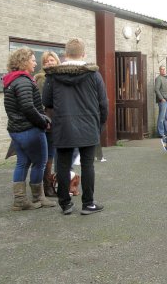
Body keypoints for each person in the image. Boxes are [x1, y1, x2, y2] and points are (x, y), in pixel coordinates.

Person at [43, 38, 109, 215]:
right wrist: (100, 124)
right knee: (88, 165)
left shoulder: (52, 76)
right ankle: (88, 204)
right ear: (84, 54)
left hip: (63, 125)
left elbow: (47, 101)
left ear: (65, 55)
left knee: (63, 166)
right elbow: (103, 103)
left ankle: (65, 204)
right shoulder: (94, 74)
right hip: (88, 125)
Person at [3, 47, 55, 211]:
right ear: (24, 62)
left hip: (16, 130)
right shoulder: (24, 81)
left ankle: (20, 201)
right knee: (40, 162)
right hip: (29, 129)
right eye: (32, 60)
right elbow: (28, 107)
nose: (35, 63)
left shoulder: (11, 80)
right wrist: (43, 121)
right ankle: (38, 197)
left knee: (22, 163)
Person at [34, 51, 61, 197]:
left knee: (54, 153)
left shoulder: (60, 78)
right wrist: (45, 120)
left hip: (59, 121)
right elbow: (39, 103)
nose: (49, 63)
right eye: (46, 61)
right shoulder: (41, 80)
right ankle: (47, 186)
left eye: (52, 60)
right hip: (48, 123)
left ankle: (53, 184)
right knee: (48, 155)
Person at [154, 65, 167, 138]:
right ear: (159, 70)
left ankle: (166, 132)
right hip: (162, 100)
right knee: (161, 117)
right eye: (161, 69)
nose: (163, 70)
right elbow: (156, 89)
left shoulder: (166, 78)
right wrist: (161, 98)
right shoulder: (158, 78)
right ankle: (160, 133)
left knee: (166, 117)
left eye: (164, 69)